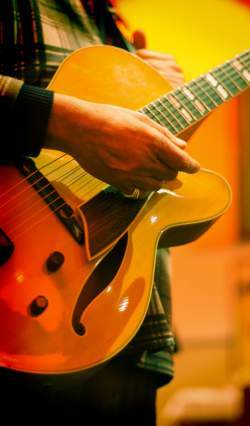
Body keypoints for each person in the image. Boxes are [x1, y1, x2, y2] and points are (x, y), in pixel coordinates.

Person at [0, 1, 199, 423]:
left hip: (126, 329)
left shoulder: (106, 19)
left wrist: (166, 115)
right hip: (17, 321)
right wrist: (67, 123)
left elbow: (130, 168)